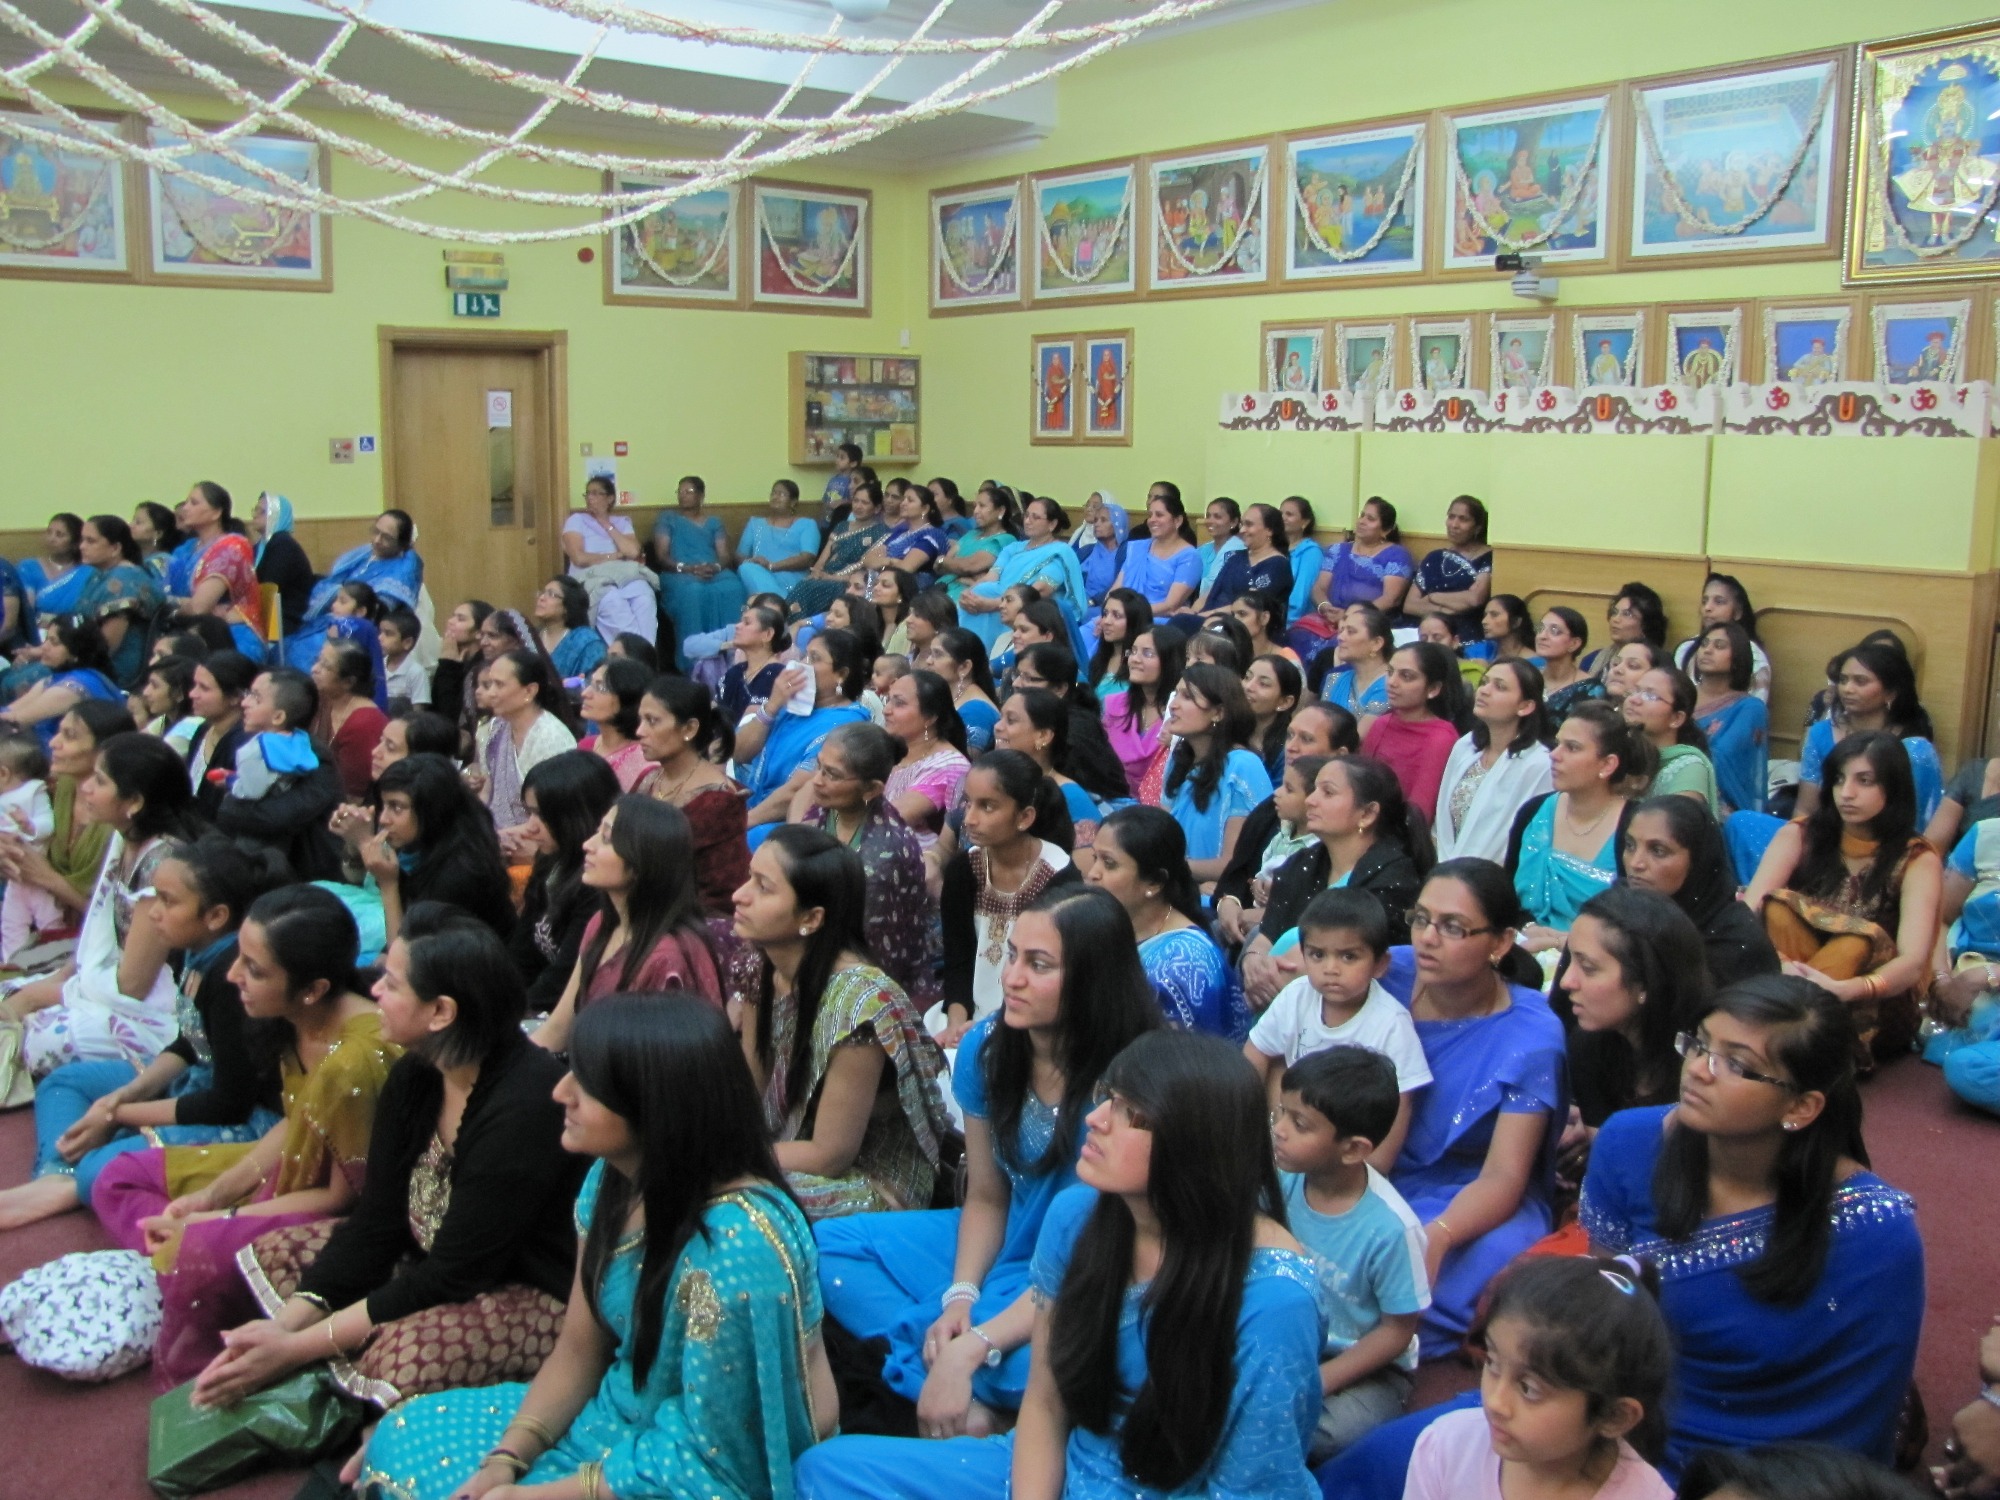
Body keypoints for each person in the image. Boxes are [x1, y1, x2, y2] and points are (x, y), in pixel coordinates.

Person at [791, 1029, 1328, 1500]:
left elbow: (1246, 1490)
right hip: (1066, 1466)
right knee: (825, 1473)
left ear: (1198, 1144)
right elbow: (1047, 1407)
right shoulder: (1079, 1216)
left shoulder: (1274, 1302)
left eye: (1131, 1114)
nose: (1096, 1120)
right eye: (1107, 1098)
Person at [357, 993, 832, 1500]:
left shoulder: (738, 1250)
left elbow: (715, 1453)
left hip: (698, 1468)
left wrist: (529, 1497)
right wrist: (508, 1458)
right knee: (403, 1436)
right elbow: (580, 1349)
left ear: (653, 1105)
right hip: (615, 1418)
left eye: (586, 1082)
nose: (561, 1092)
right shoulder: (612, 1180)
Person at [190, 906, 586, 1411]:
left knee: (405, 1352)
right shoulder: (417, 1073)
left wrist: (294, 1349)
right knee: (280, 1256)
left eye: (393, 984)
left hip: (524, 1286)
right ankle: (326, 1371)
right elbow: (377, 1221)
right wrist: (288, 1326)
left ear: (441, 1012)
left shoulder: (524, 1106)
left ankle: (348, 1397)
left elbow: (454, 1273)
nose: (374, 990)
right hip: (428, 1257)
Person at [815, 886, 1163, 1435]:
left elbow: (1106, 1248)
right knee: (828, 1250)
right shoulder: (986, 1048)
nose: (1012, 978)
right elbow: (985, 1196)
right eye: (1012, 955)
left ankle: (955, 1371)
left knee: (1081, 1355)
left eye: (1039, 964)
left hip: (1091, 1271)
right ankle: (957, 1370)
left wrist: (982, 1337)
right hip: (1004, 1237)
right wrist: (961, 1297)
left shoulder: (1135, 1079)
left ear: (1094, 978)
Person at [1582, 979, 1923, 1475]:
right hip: (1628, 1428)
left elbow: (1855, 1421)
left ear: (1800, 1107)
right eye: (1699, 1043)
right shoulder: (1627, 1144)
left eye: (1736, 1064)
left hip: (1773, 1476)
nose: (1698, 1069)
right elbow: (1607, 1319)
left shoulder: (1875, 1232)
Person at [91, 885, 396, 1384]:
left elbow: (339, 1200)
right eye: (240, 959)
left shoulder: (355, 1061)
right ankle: (180, 1269)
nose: (233, 976)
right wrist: (210, 1196)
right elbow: (295, 1124)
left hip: (333, 1207)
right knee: (117, 1177)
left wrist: (216, 1218)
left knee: (194, 1250)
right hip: (284, 1171)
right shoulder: (291, 1019)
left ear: (313, 988)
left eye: (255, 970)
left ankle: (191, 1290)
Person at [0, 834, 286, 1234]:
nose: (153, 913)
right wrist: (120, 1099)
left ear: (216, 916)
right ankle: (59, 1174)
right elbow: (190, 1041)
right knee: (64, 1083)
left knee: (104, 1169)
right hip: (195, 1079)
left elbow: (228, 1103)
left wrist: (117, 1113)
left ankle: (80, 1183)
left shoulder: (231, 978)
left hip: (246, 1117)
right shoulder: (197, 949)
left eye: (168, 901)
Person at [1382, 861, 1565, 1358]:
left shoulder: (1530, 1036)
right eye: (1420, 919)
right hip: (1362, 1163)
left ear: (1501, 943)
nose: (1427, 939)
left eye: (1453, 928)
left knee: (1498, 1258)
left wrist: (1439, 1236)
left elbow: (1505, 1177)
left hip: (1467, 1188)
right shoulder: (1385, 972)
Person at [733, 824, 951, 1218]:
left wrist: (732, 1160)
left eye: (763, 887)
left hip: (870, 1178)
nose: (738, 896)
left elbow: (831, 1154)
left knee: (732, 1200)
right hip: (786, 1147)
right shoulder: (760, 965)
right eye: (749, 878)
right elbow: (750, 1085)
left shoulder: (861, 1004)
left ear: (812, 918)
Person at [1267, 1045, 1430, 1464]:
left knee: (1326, 1432)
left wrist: (1320, 1380)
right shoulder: (1280, 1178)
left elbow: (1397, 1332)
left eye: (1299, 1123)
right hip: (1289, 1336)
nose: (1280, 1130)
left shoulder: (1392, 1229)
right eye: (1280, 1113)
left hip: (1365, 1368)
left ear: (1354, 1149)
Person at [2, 735, 198, 1075]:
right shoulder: (124, 840)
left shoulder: (162, 864)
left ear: (134, 801)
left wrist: (42, 996)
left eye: (100, 781)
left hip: (147, 1012)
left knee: (38, 1039)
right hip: (100, 987)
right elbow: (95, 938)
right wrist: (55, 981)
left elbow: (133, 986)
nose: (86, 789)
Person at [1402, 1256, 1675, 1500]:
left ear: (1614, 1416)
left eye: (1528, 1388)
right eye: (1492, 1363)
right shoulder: (1445, 1450)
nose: (1495, 1402)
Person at [1746, 732, 1941, 1062]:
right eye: (1838, 780)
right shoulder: (1799, 834)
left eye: (1864, 781)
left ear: (1892, 789)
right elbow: (1748, 914)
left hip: (1872, 1001)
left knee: (1854, 942)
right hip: (1789, 976)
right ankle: (1791, 1034)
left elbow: (1912, 963)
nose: (1846, 793)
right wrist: (1779, 965)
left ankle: (1786, 1036)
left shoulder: (1917, 859)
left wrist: (1849, 989)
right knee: (1777, 909)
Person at [1246, 888, 1431, 1165]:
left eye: (1348, 957)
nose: (1331, 969)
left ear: (1380, 964)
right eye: (1318, 955)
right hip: (1287, 1136)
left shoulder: (1391, 1025)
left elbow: (1398, 1109)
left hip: (1347, 1156)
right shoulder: (1296, 995)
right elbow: (1255, 1055)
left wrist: (1371, 1173)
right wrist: (1243, 1125)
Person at [533, 795, 725, 1051]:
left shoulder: (667, 956)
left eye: (607, 838)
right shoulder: (601, 923)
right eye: (596, 833)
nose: (587, 845)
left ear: (641, 860)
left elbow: (654, 1068)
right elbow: (558, 1028)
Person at [1243, 755, 1432, 1010]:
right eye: (1313, 790)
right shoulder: (1302, 863)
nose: (1310, 799)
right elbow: (1267, 933)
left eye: (1327, 792)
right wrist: (1253, 962)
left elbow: (1326, 963)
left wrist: (1267, 978)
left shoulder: (1393, 880)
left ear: (1367, 814)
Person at [1556, 886, 1714, 1188]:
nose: (1566, 981)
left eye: (1587, 968)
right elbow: (1620, 1175)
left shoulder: (1706, 1059)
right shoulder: (1588, 1046)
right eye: (1569, 961)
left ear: (1646, 983)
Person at [796, 722, 942, 1014]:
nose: (817, 781)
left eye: (832, 774)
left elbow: (875, 955)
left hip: (873, 986)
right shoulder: (830, 810)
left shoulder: (884, 857)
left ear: (872, 789)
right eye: (819, 767)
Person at [938, 750, 1081, 1039]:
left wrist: (992, 1030)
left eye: (987, 807)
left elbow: (1060, 976)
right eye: (968, 803)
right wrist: (957, 1022)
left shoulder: (1058, 876)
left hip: (1035, 1024)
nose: (969, 819)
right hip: (971, 1016)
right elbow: (958, 958)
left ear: (1025, 817)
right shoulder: (963, 870)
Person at [1509, 702, 1660, 952]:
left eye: (1572, 748)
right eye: (1558, 743)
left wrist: (1562, 942)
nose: (1554, 754)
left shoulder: (1635, 826)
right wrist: (1526, 928)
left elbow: (1642, 920)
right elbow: (1508, 896)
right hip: (1527, 947)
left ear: (1607, 765)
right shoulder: (1533, 811)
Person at [1213, 705, 1361, 946]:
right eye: (1290, 735)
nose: (1291, 747)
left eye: (1306, 739)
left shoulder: (1342, 828)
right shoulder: (1270, 809)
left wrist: (1270, 918)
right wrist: (1229, 903)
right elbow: (1236, 873)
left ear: (1339, 755)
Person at [1087, 805, 1235, 1035]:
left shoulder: (1187, 961)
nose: (1093, 873)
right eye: (1094, 858)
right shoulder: (1106, 927)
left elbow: (1187, 1061)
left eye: (1109, 864)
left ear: (1154, 882)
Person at [1617, 796, 1780, 989]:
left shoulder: (1735, 945)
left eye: (1658, 851)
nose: (1636, 863)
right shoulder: (1617, 913)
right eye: (1630, 845)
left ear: (1698, 861)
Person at [735, 627, 871, 846]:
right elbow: (740, 753)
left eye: (814, 659)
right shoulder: (793, 705)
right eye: (805, 656)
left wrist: (742, 823)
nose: (803, 665)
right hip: (755, 806)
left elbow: (797, 790)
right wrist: (771, 706)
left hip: (794, 823)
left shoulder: (846, 724)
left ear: (841, 674)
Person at [510, 751, 620, 1010]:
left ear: (577, 815)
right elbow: (523, 951)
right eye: (529, 813)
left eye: (541, 815)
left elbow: (564, 977)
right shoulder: (552, 860)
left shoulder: (597, 884)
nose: (530, 827)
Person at [366, 753, 516, 942]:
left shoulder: (460, 872)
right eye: (385, 805)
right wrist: (358, 841)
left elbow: (408, 956)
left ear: (430, 809)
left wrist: (388, 885)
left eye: (396, 807)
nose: (383, 819)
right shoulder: (424, 841)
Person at [635, 674, 748, 920]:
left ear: (689, 729)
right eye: (640, 720)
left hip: (683, 925)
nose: (639, 731)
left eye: (652, 721)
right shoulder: (648, 780)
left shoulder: (720, 802)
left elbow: (720, 898)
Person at [1162, 661, 1272, 883]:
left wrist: (1163, 867)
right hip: (1175, 884)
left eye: (1187, 697)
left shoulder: (1242, 766)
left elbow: (1234, 863)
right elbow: (1161, 837)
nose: (1173, 705)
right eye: (1176, 695)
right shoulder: (1179, 759)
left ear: (1218, 712)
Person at [1435, 658, 1554, 863]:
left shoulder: (1540, 764)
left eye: (1499, 687)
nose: (1484, 690)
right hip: (1445, 867)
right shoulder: (1466, 745)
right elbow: (1442, 822)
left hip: (1495, 879)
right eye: (1484, 682)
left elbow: (1527, 837)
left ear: (1525, 706)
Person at [283, 510, 423, 671]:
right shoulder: (366, 554)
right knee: (288, 644)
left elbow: (377, 612)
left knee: (307, 651)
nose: (377, 540)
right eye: (376, 532)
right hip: (332, 615)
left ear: (401, 543)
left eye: (386, 537)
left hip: (359, 627)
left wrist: (341, 601)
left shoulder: (404, 567)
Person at [471, 648, 579, 845]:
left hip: (537, 844)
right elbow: (487, 791)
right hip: (495, 840)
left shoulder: (552, 738)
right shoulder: (492, 730)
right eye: (488, 684)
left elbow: (556, 816)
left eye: (499, 685)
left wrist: (495, 839)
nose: (491, 693)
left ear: (529, 691)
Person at [964, 496, 1090, 655]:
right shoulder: (1014, 548)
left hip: (1031, 614)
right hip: (1001, 605)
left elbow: (1039, 591)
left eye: (1035, 517)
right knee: (981, 590)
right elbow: (992, 576)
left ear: (1052, 524)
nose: (1028, 521)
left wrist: (992, 604)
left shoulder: (1058, 552)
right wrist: (968, 594)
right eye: (1027, 515)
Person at [1295, 497, 1413, 660]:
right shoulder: (1337, 550)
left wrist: (1349, 617)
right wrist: (1325, 607)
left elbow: (1391, 599)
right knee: (1297, 636)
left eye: (1370, 519)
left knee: (1335, 646)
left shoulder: (1396, 555)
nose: (1362, 521)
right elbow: (1318, 588)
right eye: (1362, 515)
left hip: (1369, 624)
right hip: (1329, 619)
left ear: (1385, 530)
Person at [1363, 642, 1468, 823]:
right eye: (1390, 672)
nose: (1392, 682)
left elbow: (1420, 811)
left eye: (1406, 676)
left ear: (1433, 689)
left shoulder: (1441, 737)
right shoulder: (1381, 723)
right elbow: (1359, 782)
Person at [655, 475, 747, 667]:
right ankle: (694, 661)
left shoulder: (714, 522)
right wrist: (688, 568)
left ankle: (735, 654)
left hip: (712, 571)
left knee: (734, 587)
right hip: (678, 573)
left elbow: (724, 555)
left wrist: (714, 567)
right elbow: (662, 556)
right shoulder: (668, 519)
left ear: (701, 496)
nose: (683, 495)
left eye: (688, 491)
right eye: (680, 491)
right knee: (693, 592)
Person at [168, 482, 264, 656]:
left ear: (216, 512)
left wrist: (168, 604)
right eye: (187, 502)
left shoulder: (230, 547)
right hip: (190, 629)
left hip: (230, 635)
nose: (185, 509)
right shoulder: (187, 549)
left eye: (194, 503)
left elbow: (199, 608)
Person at [881, 667, 970, 851]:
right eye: (888, 700)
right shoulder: (893, 751)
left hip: (915, 865)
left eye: (899, 703)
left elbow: (891, 817)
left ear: (930, 717)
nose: (886, 710)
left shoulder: (949, 764)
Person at [73, 514, 165, 688]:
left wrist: (65, 660)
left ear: (115, 548)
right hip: (83, 660)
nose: (82, 547)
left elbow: (106, 648)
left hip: (111, 670)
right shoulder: (98, 575)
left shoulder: (123, 582)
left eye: (90, 541)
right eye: (82, 540)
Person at [562, 473, 655, 645]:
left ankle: (645, 654)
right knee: (612, 600)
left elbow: (633, 552)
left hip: (622, 576)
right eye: (588, 493)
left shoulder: (621, 522)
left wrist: (605, 523)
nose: (590, 498)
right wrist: (614, 556)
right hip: (590, 577)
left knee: (644, 596)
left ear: (610, 498)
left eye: (597, 493)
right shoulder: (576, 520)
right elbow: (579, 558)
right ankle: (632, 655)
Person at [2, 617, 127, 742]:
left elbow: (16, 720)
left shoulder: (76, 685)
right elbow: (10, 710)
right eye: (46, 639)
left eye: (54, 642)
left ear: (75, 652)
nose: (44, 647)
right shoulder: (54, 677)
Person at [1690, 622, 1768, 817]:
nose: (1707, 650)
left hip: (1722, 808)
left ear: (1737, 658)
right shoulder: (1681, 697)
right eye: (1705, 644)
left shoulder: (1749, 708)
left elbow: (1724, 755)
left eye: (1719, 646)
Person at [1098, 625, 1183, 797]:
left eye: (1147, 653)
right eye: (1133, 651)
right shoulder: (1113, 704)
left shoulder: (1180, 714)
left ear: (1170, 661)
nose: (1134, 659)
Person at [791, 479, 890, 620]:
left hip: (847, 583)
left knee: (807, 589)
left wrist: (830, 577)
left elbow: (866, 572)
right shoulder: (842, 526)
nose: (858, 506)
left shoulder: (881, 533)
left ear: (877, 508)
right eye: (856, 501)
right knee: (805, 583)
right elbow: (824, 557)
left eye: (865, 503)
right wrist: (817, 572)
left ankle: (798, 627)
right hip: (823, 577)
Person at [1108, 486, 1202, 628]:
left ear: (1177, 521)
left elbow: (1170, 605)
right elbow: (1115, 590)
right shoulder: (1137, 548)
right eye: (1150, 515)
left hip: (1155, 622)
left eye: (1159, 515)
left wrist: (1130, 615)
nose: (1152, 520)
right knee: (1086, 632)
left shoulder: (1189, 557)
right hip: (1121, 616)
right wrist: (1107, 613)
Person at [1624, 666, 1716, 808]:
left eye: (1651, 696)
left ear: (1677, 718)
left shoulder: (1688, 767)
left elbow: (1678, 825)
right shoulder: (1617, 749)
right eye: (1635, 690)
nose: (1634, 699)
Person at [309, 636, 388, 800]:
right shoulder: (321, 699)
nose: (314, 669)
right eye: (317, 661)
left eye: (325, 666)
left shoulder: (364, 723)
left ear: (348, 682)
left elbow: (353, 796)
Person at [1672, 572, 1771, 701]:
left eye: (1719, 602)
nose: (1707, 608)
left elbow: (1756, 707)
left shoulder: (1754, 655)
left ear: (1738, 612)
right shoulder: (1686, 648)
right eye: (1704, 601)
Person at [1407, 495, 1494, 642]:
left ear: (1477, 527)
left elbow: (1475, 598)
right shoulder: (1434, 558)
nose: (1454, 524)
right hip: (1429, 634)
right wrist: (1446, 611)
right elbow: (1410, 605)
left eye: (1463, 519)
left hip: (1467, 636)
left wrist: (1432, 597)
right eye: (1451, 517)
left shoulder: (1488, 558)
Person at [735, 478, 822, 602]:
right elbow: (740, 555)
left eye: (781, 494)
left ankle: (777, 604)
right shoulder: (755, 523)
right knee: (746, 567)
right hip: (758, 574)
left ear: (793, 502)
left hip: (791, 577)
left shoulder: (807, 524)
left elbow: (807, 558)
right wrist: (754, 562)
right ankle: (781, 603)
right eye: (773, 493)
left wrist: (772, 566)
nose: (775, 497)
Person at [575, 655, 654, 791]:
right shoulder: (586, 746)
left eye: (601, 688)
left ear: (627, 699)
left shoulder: (645, 763)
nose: (585, 693)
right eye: (590, 683)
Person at [926, 627, 1002, 754]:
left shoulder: (977, 711)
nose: (929, 661)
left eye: (938, 654)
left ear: (964, 667)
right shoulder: (948, 696)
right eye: (930, 653)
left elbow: (961, 765)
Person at [718, 600, 790, 731]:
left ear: (767, 634)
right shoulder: (736, 671)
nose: (737, 626)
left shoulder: (777, 676)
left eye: (747, 622)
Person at [1317, 602, 1394, 724]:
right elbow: (1319, 726)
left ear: (1376, 643)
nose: (1340, 637)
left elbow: (1359, 739)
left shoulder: (1392, 684)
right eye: (1342, 630)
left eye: (1351, 632)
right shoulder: (1335, 679)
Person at [1581, 585, 1668, 679]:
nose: (1615, 619)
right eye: (1614, 612)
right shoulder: (1592, 660)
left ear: (1646, 624)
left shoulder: (1661, 666)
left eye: (1627, 614)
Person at [533, 574, 608, 682]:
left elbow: (594, 682)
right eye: (542, 592)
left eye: (551, 594)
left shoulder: (586, 642)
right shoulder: (532, 635)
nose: (541, 598)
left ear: (567, 606)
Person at [428, 598, 489, 728]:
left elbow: (449, 715)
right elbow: (434, 707)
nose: (450, 622)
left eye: (460, 619)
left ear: (479, 632)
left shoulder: (484, 667)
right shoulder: (452, 655)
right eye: (453, 616)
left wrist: (448, 665)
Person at [1536, 606, 1604, 719]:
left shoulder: (1590, 689)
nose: (1542, 636)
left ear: (1574, 644)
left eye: (1554, 631)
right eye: (1540, 629)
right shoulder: (1528, 677)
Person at [1245, 653, 1302, 784]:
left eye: (1263, 684)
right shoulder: (1226, 729)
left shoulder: (1287, 751)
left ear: (1285, 702)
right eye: (1247, 677)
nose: (1248, 687)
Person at [1086, 587, 1151, 697]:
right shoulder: (1099, 656)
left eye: (1117, 616)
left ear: (1134, 621)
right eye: (1105, 614)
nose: (1106, 621)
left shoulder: (1140, 663)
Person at [1072, 489, 1128, 610]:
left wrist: (1093, 601)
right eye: (1096, 520)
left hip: (1106, 607)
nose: (1097, 524)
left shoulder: (1126, 553)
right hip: (1077, 604)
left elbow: (1122, 586)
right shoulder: (1086, 551)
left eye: (1103, 520)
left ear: (1117, 524)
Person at [1280, 494, 1324, 624]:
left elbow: (1299, 600)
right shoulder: (1273, 547)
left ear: (1305, 522)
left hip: (1293, 622)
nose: (1283, 518)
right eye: (1280, 513)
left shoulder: (1311, 552)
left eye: (1289, 514)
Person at [376, 608, 429, 711]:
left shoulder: (416, 672)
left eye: (388, 634)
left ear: (407, 643)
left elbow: (418, 713)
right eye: (380, 632)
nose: (379, 638)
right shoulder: (377, 666)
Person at [1468, 593, 1537, 663]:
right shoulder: (1480, 650)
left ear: (1516, 622)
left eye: (1494, 615)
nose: (1484, 621)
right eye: (1485, 615)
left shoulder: (1535, 663)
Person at [131, 500, 185, 587]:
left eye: (138, 522)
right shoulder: (132, 558)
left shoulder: (163, 562)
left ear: (158, 533)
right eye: (133, 520)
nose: (131, 525)